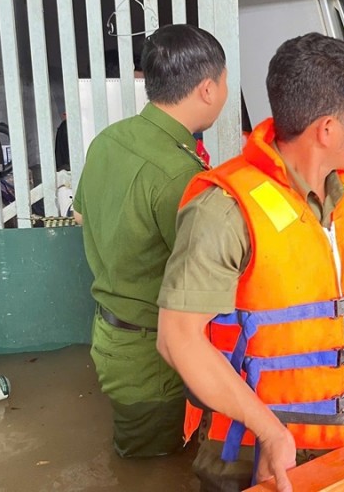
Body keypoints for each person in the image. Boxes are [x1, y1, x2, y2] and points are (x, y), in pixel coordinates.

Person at [156, 32, 344, 491]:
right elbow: (177, 340)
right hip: (257, 449)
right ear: (327, 129)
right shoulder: (224, 210)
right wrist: (268, 430)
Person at [73, 24, 227, 458]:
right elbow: (208, 269)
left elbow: (82, 212)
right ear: (208, 88)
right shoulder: (179, 174)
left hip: (111, 334)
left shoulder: (110, 140)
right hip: (152, 357)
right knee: (151, 468)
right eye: (226, 81)